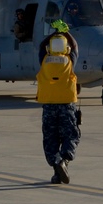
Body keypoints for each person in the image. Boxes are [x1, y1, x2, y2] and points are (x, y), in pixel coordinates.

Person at [36, 19, 81, 184]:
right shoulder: (69, 61)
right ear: (66, 48)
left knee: (50, 138)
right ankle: (64, 161)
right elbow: (75, 46)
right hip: (67, 105)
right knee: (71, 136)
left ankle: (57, 168)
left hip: (49, 106)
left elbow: (41, 46)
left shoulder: (44, 60)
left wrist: (53, 33)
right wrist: (65, 31)